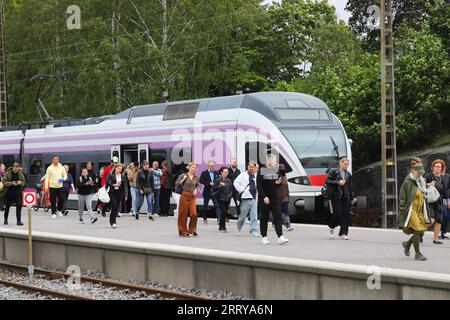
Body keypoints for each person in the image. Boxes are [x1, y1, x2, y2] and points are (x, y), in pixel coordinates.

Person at [398, 157, 431, 261]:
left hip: (420, 209)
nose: (420, 174)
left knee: (421, 231)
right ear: (413, 171)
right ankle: (417, 253)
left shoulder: (421, 181)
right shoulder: (408, 181)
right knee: (417, 229)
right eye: (419, 172)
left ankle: (407, 244)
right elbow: (402, 197)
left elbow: (423, 194)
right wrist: (402, 210)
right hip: (411, 209)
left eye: (422, 173)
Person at [257, 154, 288, 245]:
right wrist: (264, 197)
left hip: (275, 198)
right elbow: (258, 185)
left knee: (278, 216)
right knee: (264, 218)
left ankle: (280, 237)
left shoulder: (276, 171)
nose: (275, 162)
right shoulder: (262, 171)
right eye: (274, 160)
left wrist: (277, 183)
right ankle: (264, 237)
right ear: (269, 161)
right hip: (265, 198)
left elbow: (275, 184)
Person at [326, 158, 356, 240]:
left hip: (345, 196)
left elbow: (350, 187)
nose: (346, 166)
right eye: (345, 164)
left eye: (347, 164)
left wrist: (352, 198)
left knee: (345, 215)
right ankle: (331, 226)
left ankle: (343, 233)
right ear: (341, 163)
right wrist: (338, 182)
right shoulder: (334, 172)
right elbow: (327, 181)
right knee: (338, 214)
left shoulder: (348, 174)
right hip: (336, 196)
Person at [424, 159, 448, 244]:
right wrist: (429, 184)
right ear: (433, 167)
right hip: (430, 201)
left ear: (442, 168)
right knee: (432, 220)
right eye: (436, 166)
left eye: (439, 167)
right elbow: (421, 184)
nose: (438, 168)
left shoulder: (443, 177)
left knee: (439, 220)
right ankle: (419, 232)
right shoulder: (428, 176)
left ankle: (435, 239)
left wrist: (448, 199)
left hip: (440, 201)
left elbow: (445, 190)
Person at [233, 161, 259, 236]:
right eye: (250, 166)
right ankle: (238, 228)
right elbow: (235, 182)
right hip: (245, 198)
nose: (251, 168)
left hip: (254, 198)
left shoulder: (256, 175)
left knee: (254, 216)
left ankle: (253, 231)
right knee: (242, 215)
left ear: (254, 168)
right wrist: (242, 189)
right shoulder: (242, 175)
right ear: (247, 167)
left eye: (252, 167)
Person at [175, 162, 199, 237]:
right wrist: (183, 180)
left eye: (195, 168)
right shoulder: (183, 175)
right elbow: (176, 184)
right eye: (193, 167)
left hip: (192, 196)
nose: (194, 169)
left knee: (194, 214)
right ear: (189, 167)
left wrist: (195, 190)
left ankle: (192, 230)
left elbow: (196, 186)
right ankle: (183, 231)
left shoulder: (196, 177)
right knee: (183, 214)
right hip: (184, 195)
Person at [106, 164, 128, 229]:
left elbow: (125, 186)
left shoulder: (123, 176)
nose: (120, 170)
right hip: (112, 193)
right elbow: (107, 182)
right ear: (115, 168)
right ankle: (114, 222)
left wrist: (126, 195)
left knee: (116, 208)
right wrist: (113, 185)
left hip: (119, 193)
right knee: (115, 206)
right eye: (119, 169)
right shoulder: (110, 175)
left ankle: (111, 220)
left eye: (121, 169)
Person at [213, 167, 233, 232]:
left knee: (223, 213)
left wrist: (230, 196)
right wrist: (219, 186)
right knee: (224, 212)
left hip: (227, 199)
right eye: (225, 172)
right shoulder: (218, 180)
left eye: (227, 172)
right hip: (220, 198)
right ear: (221, 172)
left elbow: (231, 189)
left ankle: (220, 226)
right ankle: (223, 227)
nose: (227, 173)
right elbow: (214, 188)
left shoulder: (229, 180)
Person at [276, 164, 293, 231]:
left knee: (285, 211)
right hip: (278, 197)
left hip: (285, 196)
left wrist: (288, 195)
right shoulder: (277, 177)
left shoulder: (285, 176)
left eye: (283, 168)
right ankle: (275, 223)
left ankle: (288, 225)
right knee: (278, 212)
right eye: (281, 168)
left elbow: (286, 187)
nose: (283, 170)